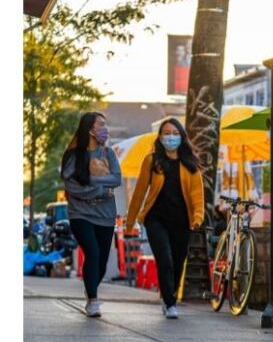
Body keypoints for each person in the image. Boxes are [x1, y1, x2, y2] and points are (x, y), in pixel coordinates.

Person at [126, 118, 204, 319]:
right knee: (165, 260)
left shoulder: (191, 165)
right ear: (160, 137)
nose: (171, 137)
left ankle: (170, 295)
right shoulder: (152, 161)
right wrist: (130, 224)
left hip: (182, 221)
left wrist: (197, 218)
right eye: (166, 133)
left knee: (178, 262)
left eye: (175, 133)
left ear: (182, 137)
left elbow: (198, 197)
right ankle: (170, 304)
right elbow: (139, 193)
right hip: (156, 220)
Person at [60, 112, 121, 317]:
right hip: (81, 214)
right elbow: (72, 186)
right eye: (101, 124)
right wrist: (99, 190)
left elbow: (117, 179)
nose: (105, 128)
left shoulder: (109, 153)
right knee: (92, 253)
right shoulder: (73, 155)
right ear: (89, 129)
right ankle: (93, 301)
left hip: (105, 214)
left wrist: (89, 180)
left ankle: (90, 286)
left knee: (101, 261)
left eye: (106, 124)